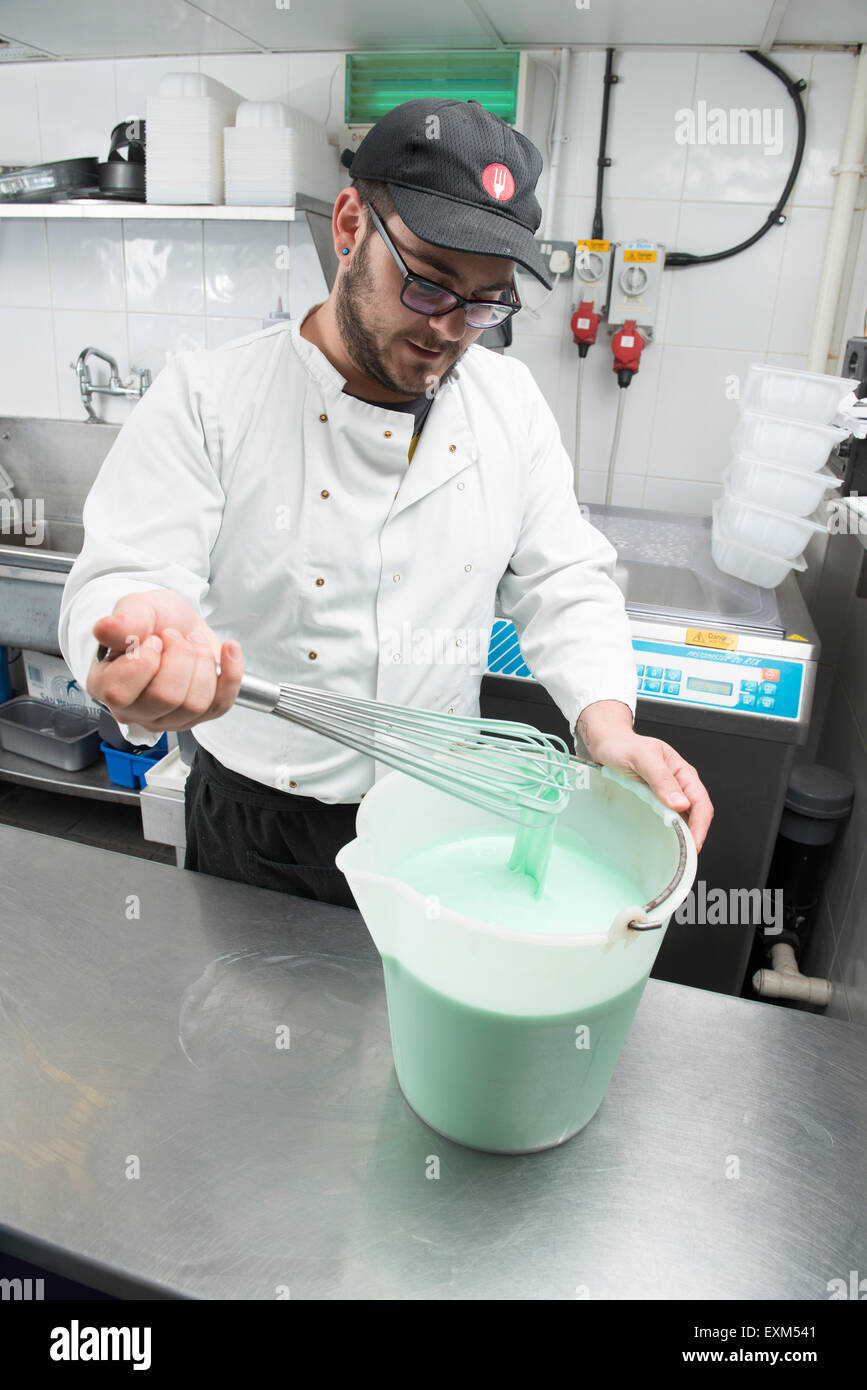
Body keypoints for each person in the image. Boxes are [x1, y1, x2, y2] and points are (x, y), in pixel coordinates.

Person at [59, 98, 713, 909]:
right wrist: (143, 633)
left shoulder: (507, 403)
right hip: (264, 829)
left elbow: (565, 580)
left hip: (444, 814)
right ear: (348, 226)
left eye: (487, 300)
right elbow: (127, 571)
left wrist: (606, 725)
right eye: (430, 283)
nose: (452, 329)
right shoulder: (211, 398)